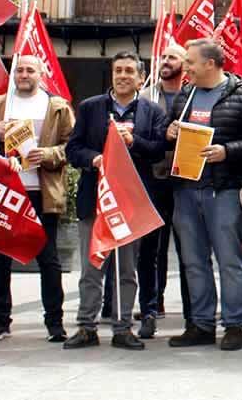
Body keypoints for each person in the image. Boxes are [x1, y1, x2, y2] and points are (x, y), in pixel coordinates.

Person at [166, 39, 242, 350]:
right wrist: (169, 133)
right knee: (193, 261)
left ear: (211, 64)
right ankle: (201, 323)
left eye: (191, 62)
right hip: (186, 188)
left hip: (223, 190)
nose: (187, 68)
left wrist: (228, 151)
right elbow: (173, 134)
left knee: (229, 260)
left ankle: (234, 324)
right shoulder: (186, 94)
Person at [63, 51, 167, 351]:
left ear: (139, 77)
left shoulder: (152, 111)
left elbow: (159, 150)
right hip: (96, 199)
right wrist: (95, 159)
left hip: (131, 203)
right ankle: (86, 326)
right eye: (118, 70)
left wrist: (134, 142)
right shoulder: (90, 107)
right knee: (92, 266)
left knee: (126, 268)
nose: (122, 76)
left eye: (128, 71)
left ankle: (123, 327)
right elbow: (73, 148)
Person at [0, 54, 75, 343]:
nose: (23, 74)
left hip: (42, 192)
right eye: (19, 70)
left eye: (30, 70)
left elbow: (72, 145)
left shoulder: (57, 107)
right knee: (0, 259)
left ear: (41, 73)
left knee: (48, 259)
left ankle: (54, 322)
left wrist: (48, 154)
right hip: (7, 191)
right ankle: (0, 320)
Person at [138, 41, 190, 338]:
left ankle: (192, 307)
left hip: (185, 181)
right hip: (154, 180)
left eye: (173, 56)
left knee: (187, 247)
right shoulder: (146, 97)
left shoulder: (193, 95)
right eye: (164, 56)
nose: (166, 61)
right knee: (152, 247)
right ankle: (152, 303)